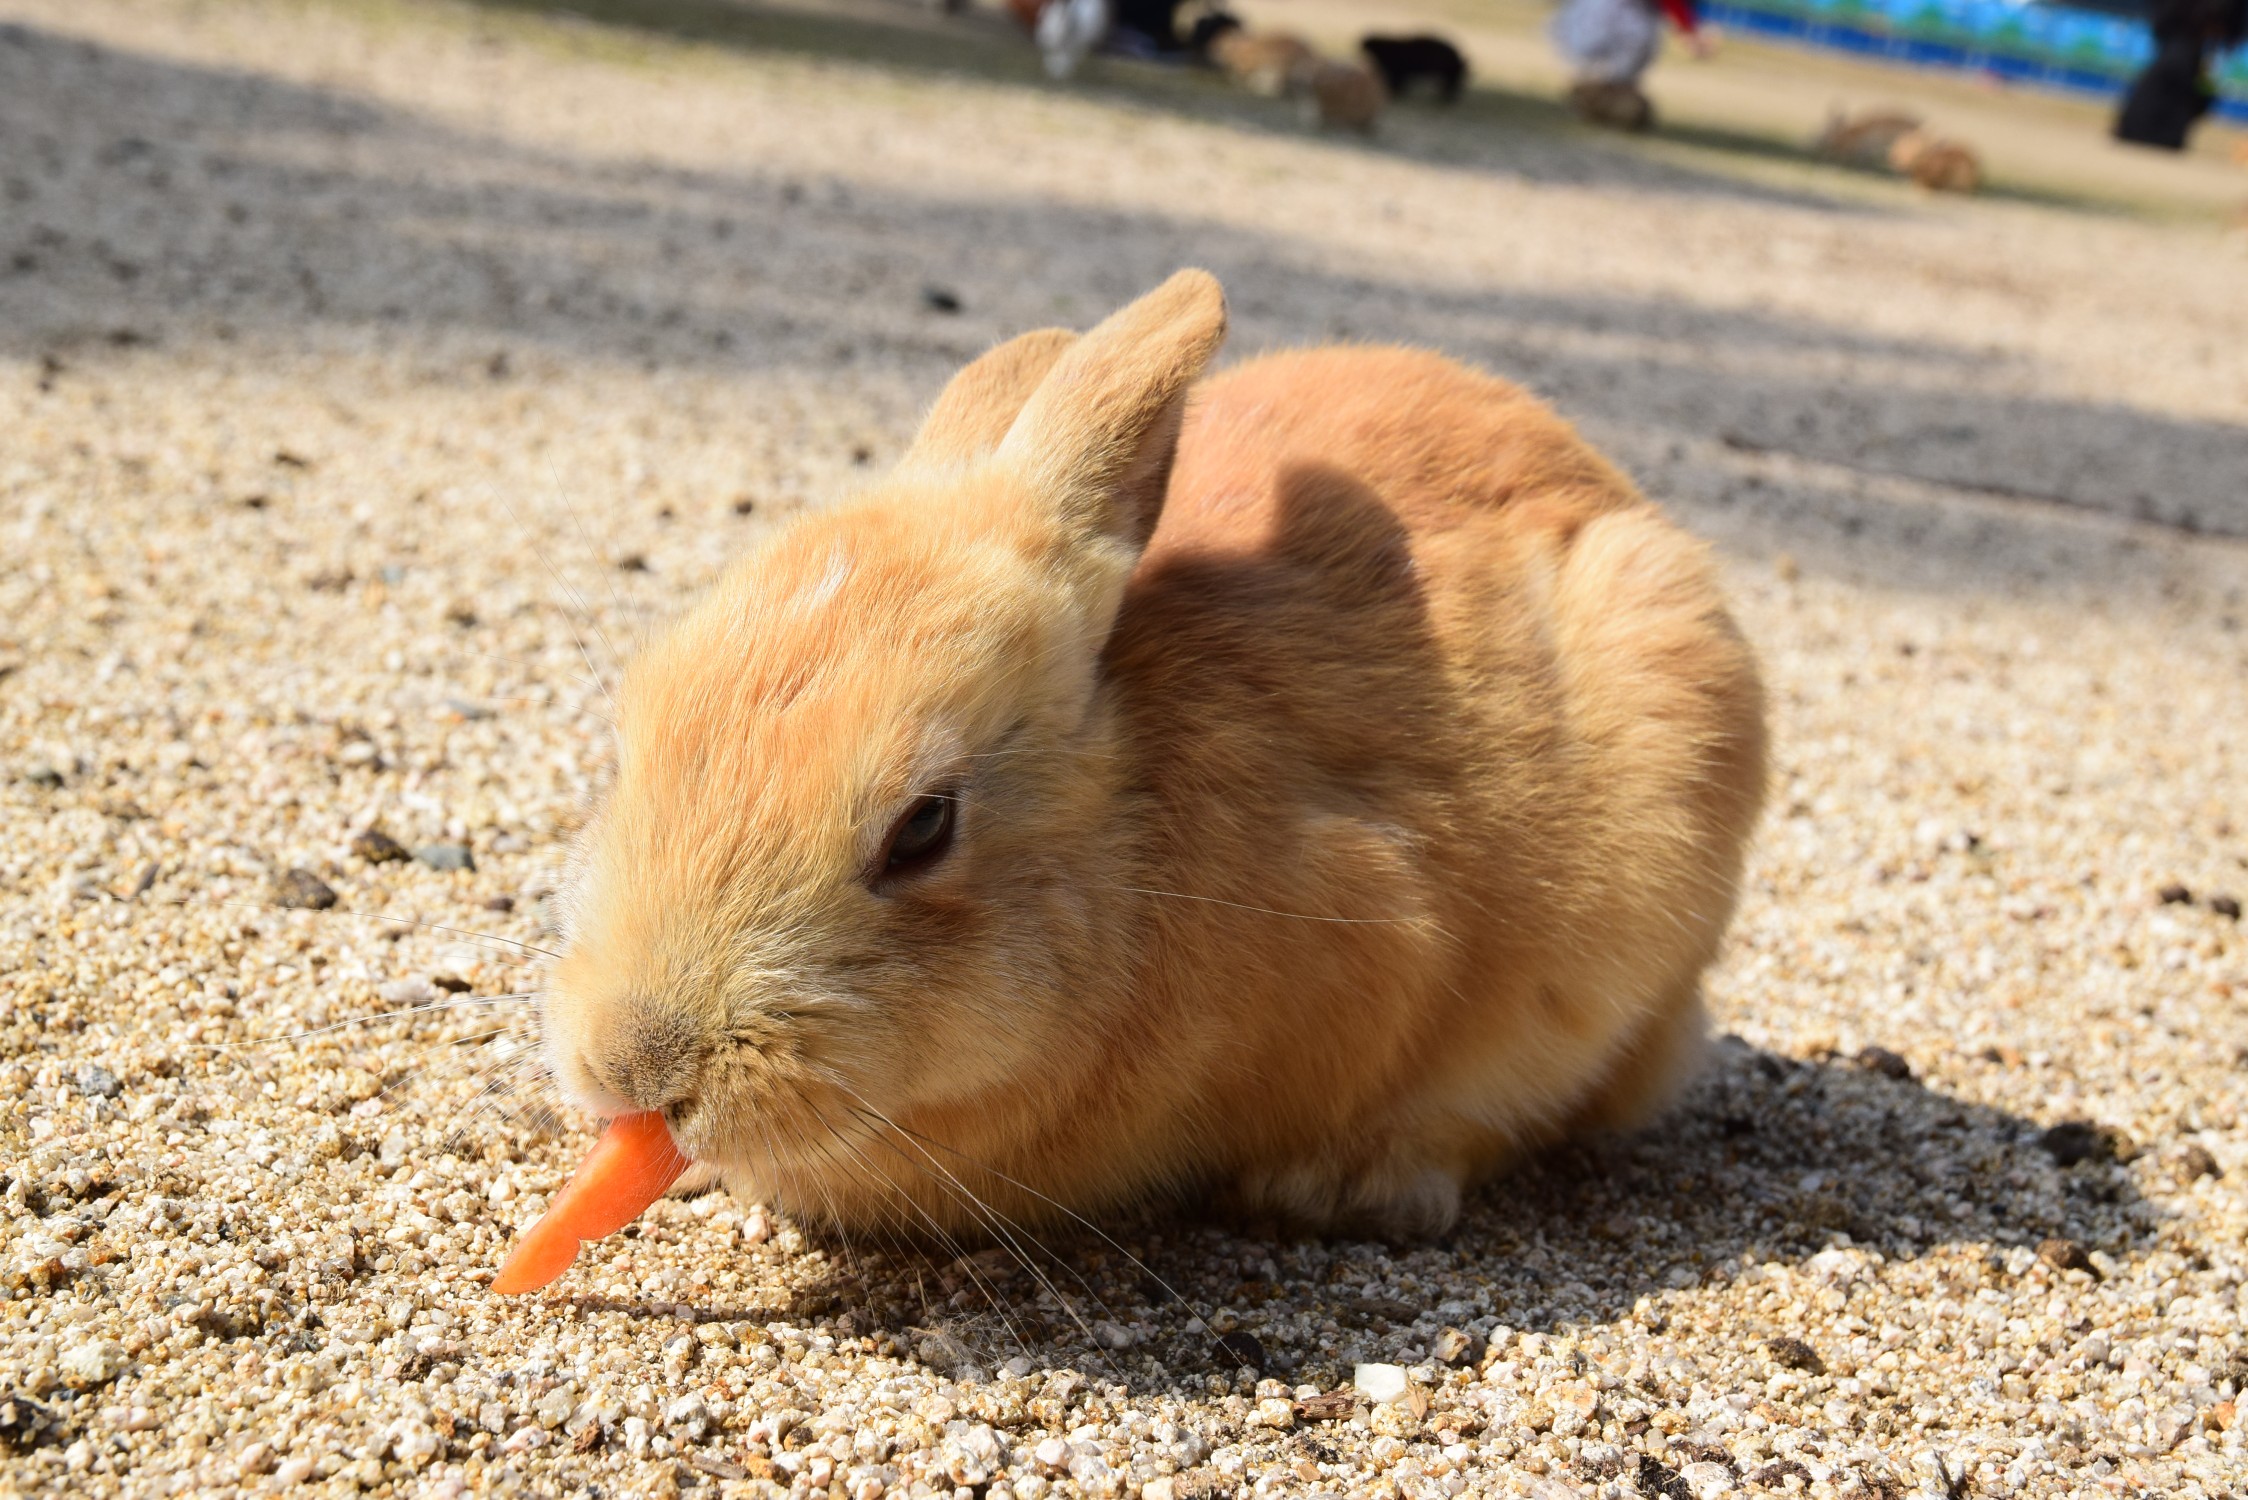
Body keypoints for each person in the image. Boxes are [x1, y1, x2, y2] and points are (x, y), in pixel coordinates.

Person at [1550, 0, 1712, 129]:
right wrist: (1689, 32)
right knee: (1613, 71)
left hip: (1600, 18)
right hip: (1619, 19)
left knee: (1616, 81)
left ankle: (1601, 96)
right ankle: (1599, 95)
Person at [2115, 0, 2247, 149]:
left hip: (2186, 37)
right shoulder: (2183, 54)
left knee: (2184, 83)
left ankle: (2150, 134)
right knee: (2179, 80)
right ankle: (2152, 134)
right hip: (2183, 35)